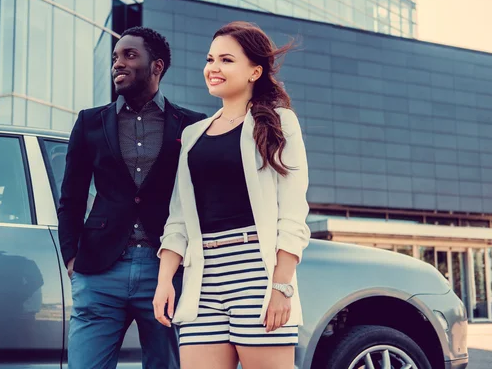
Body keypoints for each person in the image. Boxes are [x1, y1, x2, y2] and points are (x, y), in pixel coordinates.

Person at [153, 21, 310, 369]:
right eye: (210, 60)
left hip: (256, 272)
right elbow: (178, 217)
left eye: (226, 60)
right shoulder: (193, 135)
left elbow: (293, 212)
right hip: (202, 278)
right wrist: (165, 280)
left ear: (255, 71)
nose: (213, 68)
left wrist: (281, 287)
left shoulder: (278, 122)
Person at [57, 26, 206, 369]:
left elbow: (200, 199)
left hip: (165, 271)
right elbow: (72, 197)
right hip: (99, 271)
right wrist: (72, 261)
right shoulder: (90, 122)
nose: (118, 64)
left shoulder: (192, 126)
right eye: (114, 57)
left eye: (129, 55)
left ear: (157, 66)